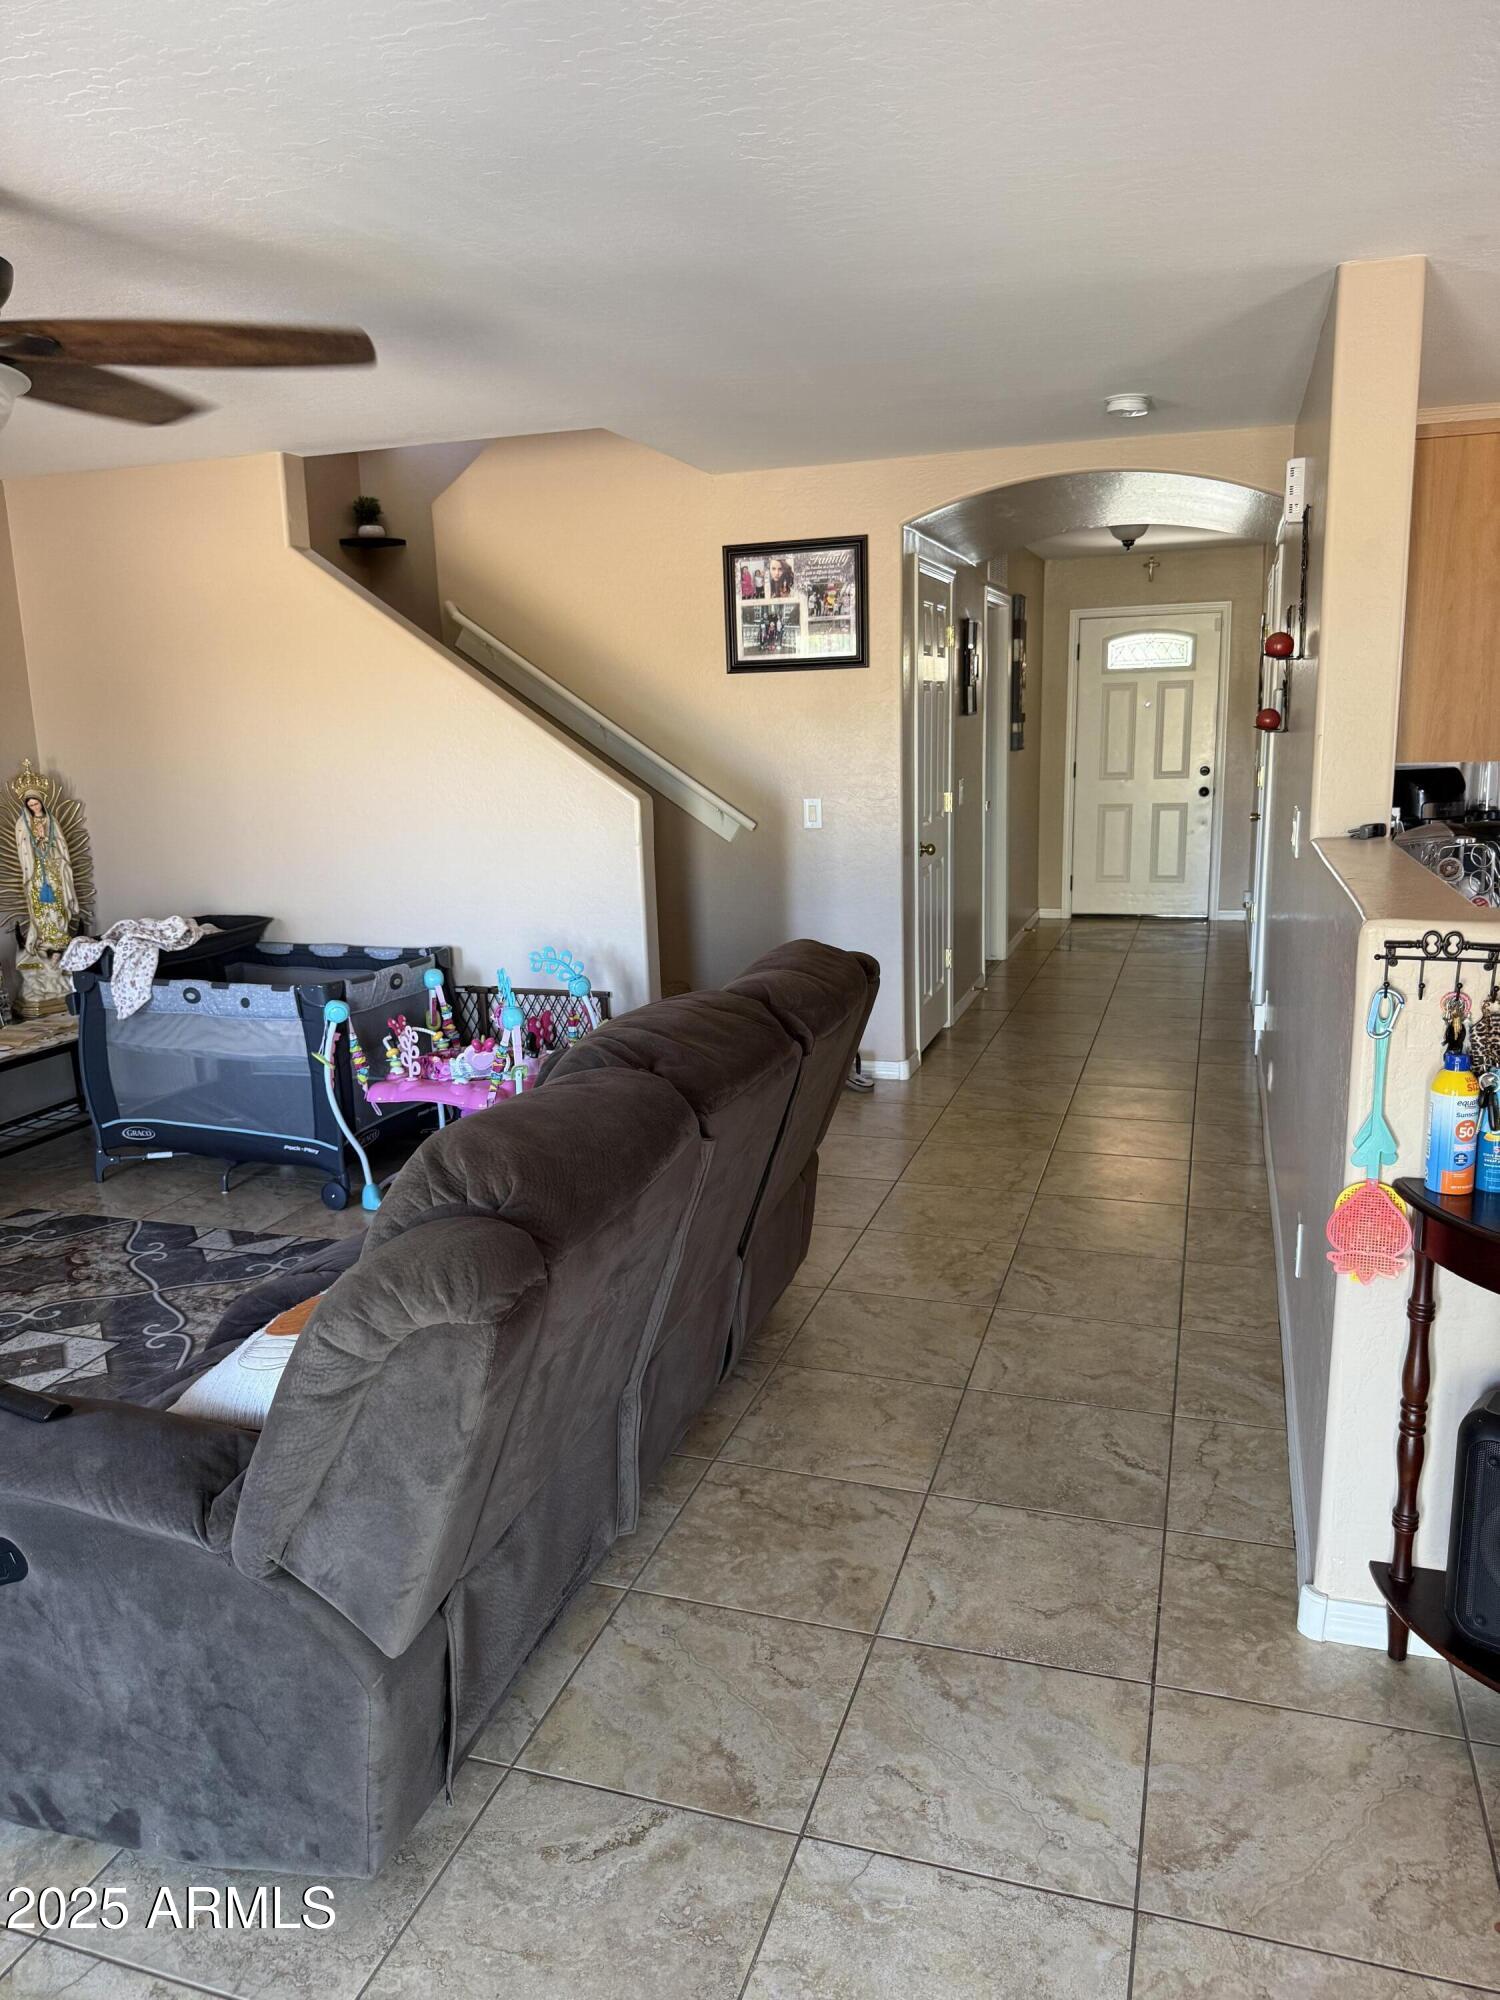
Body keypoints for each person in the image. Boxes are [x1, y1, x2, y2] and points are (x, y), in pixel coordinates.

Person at [15, 789, 78, 956]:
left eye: (36, 803)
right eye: (30, 805)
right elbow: (23, 847)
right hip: (36, 869)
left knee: (57, 898)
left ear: (42, 802)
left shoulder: (52, 821)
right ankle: (44, 937)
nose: (34, 807)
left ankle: (59, 935)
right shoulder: (24, 823)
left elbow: (61, 844)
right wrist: (35, 839)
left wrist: (47, 839)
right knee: (40, 903)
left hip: (53, 866)